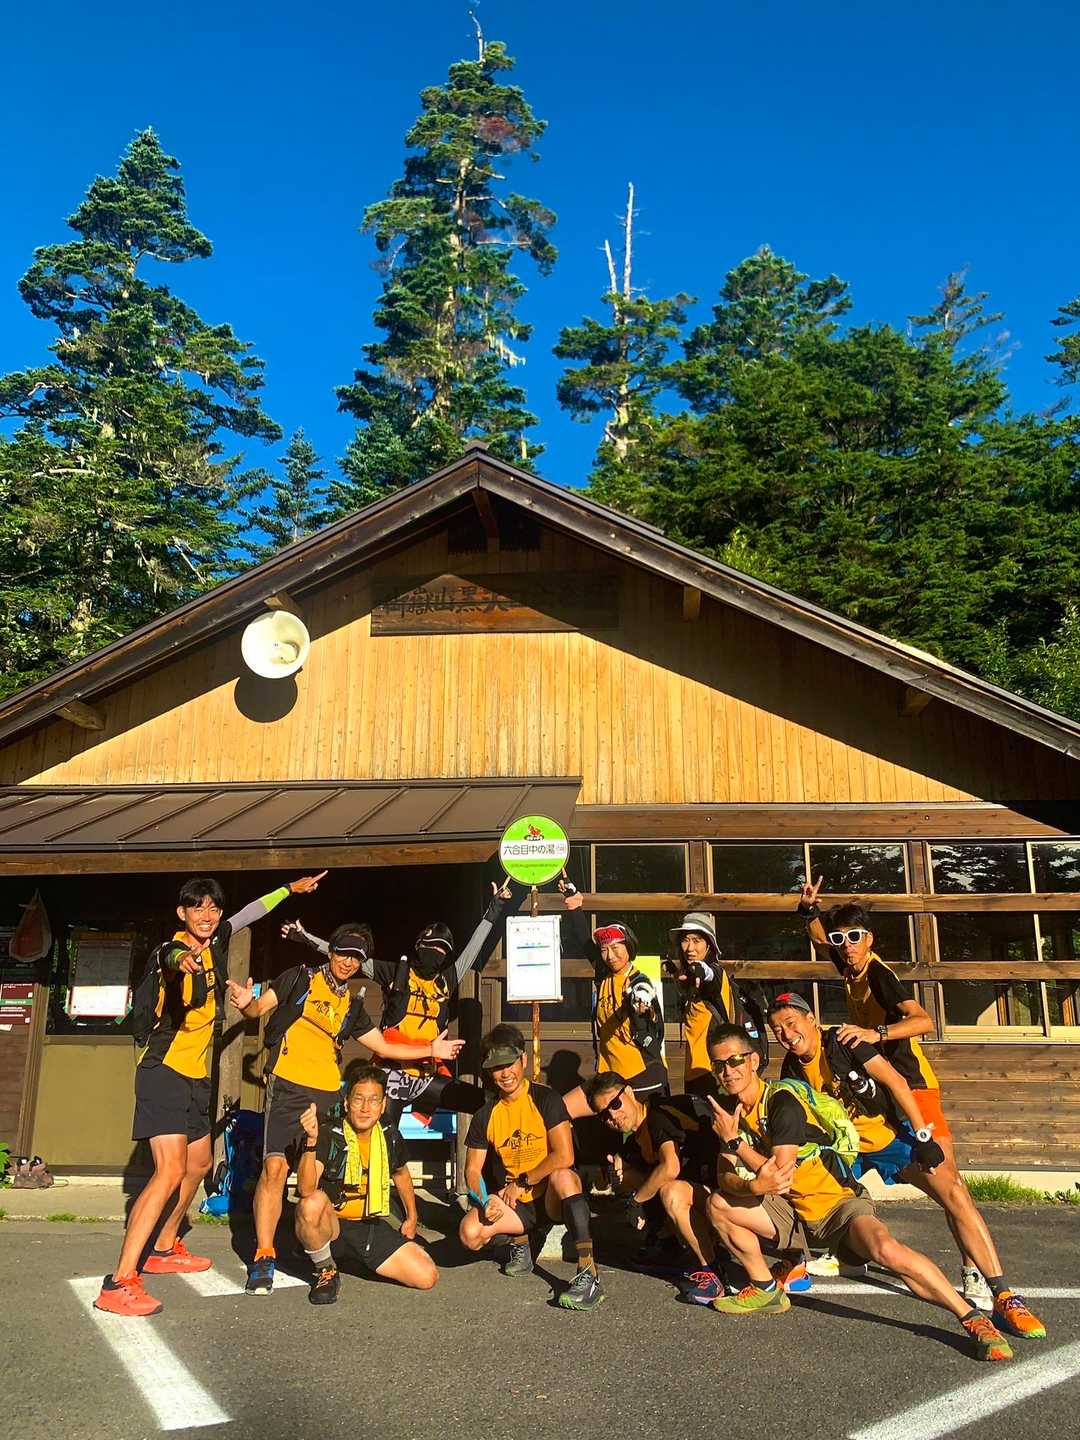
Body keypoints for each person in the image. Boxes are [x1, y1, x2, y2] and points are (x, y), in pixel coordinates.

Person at [703, 1024, 1016, 1362]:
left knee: (886, 1250)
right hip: (793, 1213)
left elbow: (779, 1175)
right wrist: (751, 1185)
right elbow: (725, 1175)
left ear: (753, 1060)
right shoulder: (728, 1113)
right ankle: (765, 1290)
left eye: (734, 1061)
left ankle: (972, 1319)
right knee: (718, 1204)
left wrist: (736, 1144)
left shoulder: (780, 1101)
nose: (727, 1071)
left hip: (838, 1206)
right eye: (718, 1064)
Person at [94, 871, 325, 1317]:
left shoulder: (217, 937)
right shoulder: (171, 950)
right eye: (197, 907)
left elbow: (250, 913)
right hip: (164, 1071)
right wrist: (185, 960)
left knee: (198, 1164)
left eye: (213, 907)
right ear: (181, 912)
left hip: (196, 1076)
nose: (207, 915)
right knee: (168, 1171)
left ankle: (164, 1246)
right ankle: (119, 1281)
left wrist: (289, 890)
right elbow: (171, 956)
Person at [769, 991, 1046, 1340]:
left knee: (954, 1192)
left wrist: (923, 1135)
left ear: (812, 1020)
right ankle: (797, 1262)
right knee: (796, 1193)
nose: (786, 1033)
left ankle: (1003, 1296)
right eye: (777, 1029)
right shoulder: (791, 1070)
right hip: (844, 1155)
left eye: (791, 1022)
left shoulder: (843, 1041)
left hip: (887, 1141)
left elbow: (895, 1082)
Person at [799, 874, 1012, 1311]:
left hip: (914, 1085)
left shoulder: (878, 975)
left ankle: (974, 1271)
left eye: (854, 937)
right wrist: (810, 911)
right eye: (841, 939)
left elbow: (923, 1020)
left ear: (869, 939)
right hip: (885, 1087)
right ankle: (850, 1251)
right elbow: (820, 939)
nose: (845, 945)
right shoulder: (849, 964)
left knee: (950, 1186)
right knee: (847, 1159)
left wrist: (876, 1033)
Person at [227, 922, 466, 1295]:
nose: (349, 962)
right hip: (287, 1085)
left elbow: (383, 1047)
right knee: (275, 1169)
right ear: (331, 950)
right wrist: (246, 1004)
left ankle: (320, 1242)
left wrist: (429, 1050)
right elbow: (259, 1008)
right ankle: (264, 1254)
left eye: (357, 957)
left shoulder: (353, 1004)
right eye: (343, 953)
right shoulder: (299, 978)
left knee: (322, 1174)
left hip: (326, 1093)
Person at [284, 880, 520, 1124]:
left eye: (442, 951)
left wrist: (495, 907)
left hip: (426, 1075)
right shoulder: (395, 972)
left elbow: (473, 949)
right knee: (386, 1135)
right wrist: (305, 938)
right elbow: (349, 954)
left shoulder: (446, 980)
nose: (436, 954)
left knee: (485, 1103)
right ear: (419, 946)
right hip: (391, 1073)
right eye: (431, 947)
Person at [459, 1025, 604, 1312]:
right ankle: (522, 1242)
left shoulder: (546, 1099)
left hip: (549, 1196)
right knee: (469, 1234)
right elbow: (472, 1171)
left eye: (509, 1063)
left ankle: (589, 1273)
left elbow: (564, 1155)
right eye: (496, 1067)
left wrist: (523, 1182)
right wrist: (484, 1201)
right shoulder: (485, 1115)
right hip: (516, 1204)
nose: (505, 1073)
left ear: (523, 1060)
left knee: (565, 1176)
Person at [293, 1064, 437, 1304]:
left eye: (373, 1100)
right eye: (358, 1099)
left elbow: (401, 1174)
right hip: (332, 1223)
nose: (365, 1108)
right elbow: (306, 1190)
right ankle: (326, 1268)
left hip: (369, 1223)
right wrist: (311, 1140)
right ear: (347, 1103)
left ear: (383, 1106)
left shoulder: (389, 1135)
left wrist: (412, 1217)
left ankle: (350, 1257)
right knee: (311, 1204)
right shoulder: (329, 1132)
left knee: (426, 1276)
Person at [586, 1071, 724, 1304]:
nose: (613, 1116)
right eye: (604, 1115)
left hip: (721, 1199)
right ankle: (667, 1243)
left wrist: (636, 1202)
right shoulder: (638, 1137)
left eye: (615, 1104)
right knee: (626, 1176)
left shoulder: (658, 1115)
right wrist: (612, 1170)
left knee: (670, 1192)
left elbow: (670, 1167)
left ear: (630, 1093)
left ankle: (712, 1271)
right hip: (703, 1195)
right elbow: (605, 1181)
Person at [557, 884, 666, 1119]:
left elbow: (644, 995)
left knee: (644, 1136)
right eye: (605, 949)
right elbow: (585, 943)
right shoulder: (603, 975)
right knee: (558, 1112)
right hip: (608, 1076)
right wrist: (574, 904)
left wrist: (642, 1004)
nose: (610, 955)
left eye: (616, 948)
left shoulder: (637, 980)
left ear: (629, 947)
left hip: (641, 1076)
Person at [665, 912, 768, 1093]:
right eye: (685, 940)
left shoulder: (715, 974)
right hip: (694, 1072)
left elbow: (710, 974)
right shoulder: (688, 981)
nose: (690, 948)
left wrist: (700, 969)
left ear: (709, 945)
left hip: (717, 1074)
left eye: (697, 941)